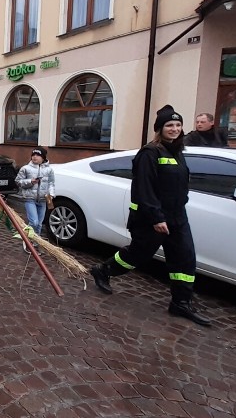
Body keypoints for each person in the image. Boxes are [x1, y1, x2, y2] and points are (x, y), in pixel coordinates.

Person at [90, 105, 211, 327]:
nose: (174, 129)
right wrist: (156, 217)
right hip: (151, 217)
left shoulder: (178, 152)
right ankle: (103, 270)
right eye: (169, 125)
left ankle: (181, 302)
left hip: (177, 217)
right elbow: (143, 188)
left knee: (185, 257)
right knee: (138, 255)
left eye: (177, 125)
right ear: (160, 129)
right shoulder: (150, 153)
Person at [15, 148, 55, 249]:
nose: (34, 157)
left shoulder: (49, 170)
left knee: (39, 224)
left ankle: (35, 242)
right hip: (29, 198)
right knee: (34, 222)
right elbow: (18, 181)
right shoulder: (26, 168)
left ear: (43, 158)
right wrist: (30, 182)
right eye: (33, 155)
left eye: (38, 155)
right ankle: (27, 240)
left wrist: (51, 194)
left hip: (42, 200)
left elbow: (51, 183)